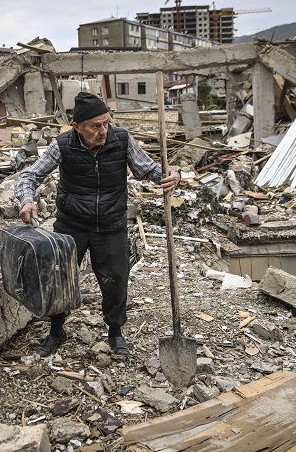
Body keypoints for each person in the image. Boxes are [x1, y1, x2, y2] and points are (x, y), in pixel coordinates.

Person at [14, 91, 181, 358]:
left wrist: (172, 175)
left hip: (111, 224)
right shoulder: (63, 144)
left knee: (115, 280)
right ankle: (56, 331)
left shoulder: (121, 140)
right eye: (95, 126)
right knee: (60, 278)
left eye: (106, 123)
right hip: (72, 226)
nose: (103, 130)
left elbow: (148, 170)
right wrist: (26, 200)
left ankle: (115, 332)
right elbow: (31, 175)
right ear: (77, 126)